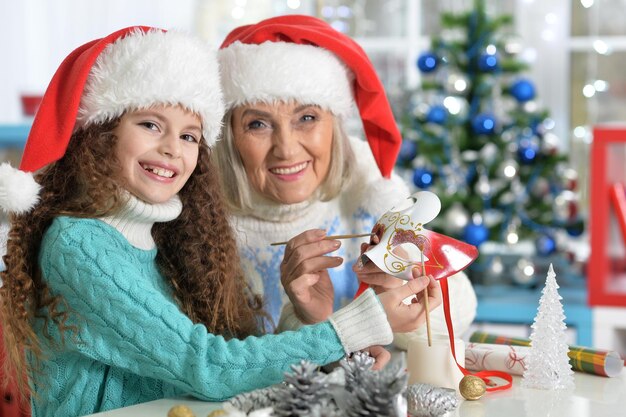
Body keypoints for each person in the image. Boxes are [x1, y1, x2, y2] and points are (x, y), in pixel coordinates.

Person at [0, 27, 440, 417]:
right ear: (101, 132)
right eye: (151, 124)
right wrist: (358, 323)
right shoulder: (81, 246)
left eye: (190, 134)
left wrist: (331, 350)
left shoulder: (166, 237)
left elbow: (235, 361)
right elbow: (206, 365)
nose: (174, 148)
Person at [215, 15, 476, 338]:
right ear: (229, 135)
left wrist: (401, 293)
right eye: (258, 124)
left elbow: (460, 312)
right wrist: (314, 323)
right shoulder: (202, 215)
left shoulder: (370, 185)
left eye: (306, 118)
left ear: (334, 125)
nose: (285, 149)